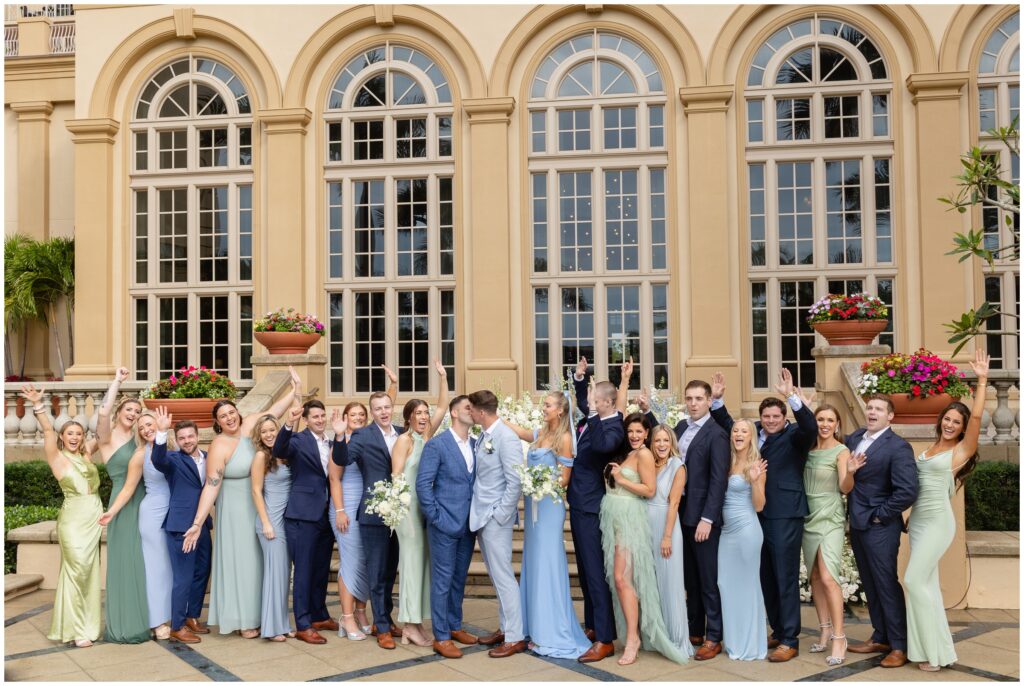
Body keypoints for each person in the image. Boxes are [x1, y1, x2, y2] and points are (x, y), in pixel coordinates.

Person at [182, 368, 301, 637]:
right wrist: (198, 522)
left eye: (231, 413)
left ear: (238, 413)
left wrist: (295, 390)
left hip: (259, 505)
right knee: (241, 563)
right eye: (223, 416)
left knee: (259, 563)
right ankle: (242, 620)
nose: (229, 418)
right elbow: (211, 487)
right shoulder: (219, 446)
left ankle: (262, 616)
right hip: (234, 510)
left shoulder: (250, 426)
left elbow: (276, 411)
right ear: (217, 422)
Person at [709, 368, 817, 662]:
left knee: (784, 576)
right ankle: (778, 629)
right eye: (766, 416)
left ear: (784, 418)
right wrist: (717, 401)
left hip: (784, 514)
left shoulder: (796, 434)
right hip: (753, 516)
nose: (770, 421)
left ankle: (790, 639)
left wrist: (792, 396)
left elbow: (810, 427)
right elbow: (734, 428)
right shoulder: (756, 432)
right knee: (766, 576)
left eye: (776, 416)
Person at [905, 350, 988, 672]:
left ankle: (936, 652)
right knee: (924, 586)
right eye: (948, 419)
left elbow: (978, 419)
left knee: (913, 581)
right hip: (919, 520)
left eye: (958, 422)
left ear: (964, 428)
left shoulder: (961, 451)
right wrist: (910, 514)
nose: (951, 425)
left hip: (939, 522)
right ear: (940, 421)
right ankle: (933, 652)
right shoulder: (928, 449)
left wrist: (982, 380)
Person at [505, 390, 591, 660]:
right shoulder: (540, 433)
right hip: (533, 504)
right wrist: (495, 420)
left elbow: (564, 479)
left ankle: (550, 630)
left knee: (546, 561)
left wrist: (538, 485)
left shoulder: (564, 438)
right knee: (533, 561)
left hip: (549, 506)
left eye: (548, 405)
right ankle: (532, 626)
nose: (544, 408)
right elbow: (518, 431)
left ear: (561, 411)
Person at [646, 379, 729, 661]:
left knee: (708, 579)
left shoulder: (716, 434)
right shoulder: (680, 428)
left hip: (702, 518)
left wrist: (709, 517)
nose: (693, 403)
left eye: (698, 399)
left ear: (708, 401)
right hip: (679, 516)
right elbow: (662, 444)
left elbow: (718, 480)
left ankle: (714, 636)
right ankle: (695, 629)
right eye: (689, 398)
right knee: (689, 579)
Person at [600, 412, 689, 666]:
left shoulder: (644, 455)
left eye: (639, 432)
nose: (634, 436)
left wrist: (619, 479)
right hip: (618, 522)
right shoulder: (629, 454)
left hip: (631, 521)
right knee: (626, 580)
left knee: (621, 578)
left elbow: (650, 491)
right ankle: (636, 633)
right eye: (630, 432)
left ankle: (633, 639)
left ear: (646, 433)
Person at [20, 385, 102, 648]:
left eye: (79, 433)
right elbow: (46, 430)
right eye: (70, 433)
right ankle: (78, 629)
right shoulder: (57, 458)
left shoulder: (87, 453)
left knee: (87, 573)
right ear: (63, 437)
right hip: (73, 521)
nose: (75, 437)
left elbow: (103, 428)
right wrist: (38, 405)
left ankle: (83, 625)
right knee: (77, 570)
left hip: (93, 518)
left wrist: (117, 386)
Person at [844, 393, 918, 668]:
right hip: (858, 525)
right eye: (869, 408)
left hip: (881, 527)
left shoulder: (898, 447)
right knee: (871, 584)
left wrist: (878, 516)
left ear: (890, 416)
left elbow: (907, 491)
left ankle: (899, 645)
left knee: (886, 583)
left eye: (878, 409)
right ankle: (881, 635)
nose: (872, 412)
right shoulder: (854, 439)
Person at [331, 391, 405, 649]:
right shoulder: (363, 435)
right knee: (376, 570)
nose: (383, 412)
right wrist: (340, 436)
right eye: (378, 409)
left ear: (391, 408)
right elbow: (343, 458)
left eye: (387, 407)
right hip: (373, 513)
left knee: (390, 570)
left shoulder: (402, 432)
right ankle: (381, 627)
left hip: (400, 513)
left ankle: (387, 618)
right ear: (372, 412)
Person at [416, 395, 481, 659]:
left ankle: (455, 626)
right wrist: (436, 517)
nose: (472, 411)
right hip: (444, 523)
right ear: (454, 412)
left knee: (458, 578)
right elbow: (423, 484)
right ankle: (441, 636)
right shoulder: (438, 445)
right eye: (467, 407)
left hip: (469, 524)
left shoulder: (478, 444)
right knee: (442, 580)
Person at [390, 361, 450, 647]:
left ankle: (416, 621)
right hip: (408, 511)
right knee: (412, 564)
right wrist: (399, 510)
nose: (425, 416)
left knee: (422, 564)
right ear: (409, 417)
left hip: (427, 508)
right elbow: (396, 476)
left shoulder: (427, 436)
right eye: (418, 413)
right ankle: (410, 625)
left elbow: (443, 406)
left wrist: (443, 377)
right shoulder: (404, 441)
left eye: (425, 412)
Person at [98, 410, 172, 640]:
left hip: (175, 513)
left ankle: (172, 615)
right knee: (157, 568)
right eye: (142, 428)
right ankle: (157, 620)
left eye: (149, 424)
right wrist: (112, 511)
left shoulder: (174, 445)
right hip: (153, 515)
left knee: (170, 567)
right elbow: (128, 488)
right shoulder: (140, 454)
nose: (146, 429)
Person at [271, 399, 339, 645]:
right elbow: (279, 450)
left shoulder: (331, 442)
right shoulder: (298, 440)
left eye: (322, 416)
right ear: (307, 419)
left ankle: (319, 614)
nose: (320, 420)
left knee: (321, 568)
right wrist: (289, 422)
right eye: (315, 417)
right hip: (301, 515)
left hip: (325, 514)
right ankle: (303, 623)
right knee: (303, 571)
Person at [569, 372, 624, 664]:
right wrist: (580, 380)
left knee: (595, 572)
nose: (589, 404)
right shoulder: (596, 416)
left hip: (592, 505)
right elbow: (583, 404)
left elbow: (603, 447)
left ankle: (605, 638)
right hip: (578, 502)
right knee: (584, 570)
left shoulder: (615, 426)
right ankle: (592, 626)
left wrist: (590, 412)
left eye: (594, 401)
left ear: (606, 403)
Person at [467, 389, 526, 658]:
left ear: (480, 412)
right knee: (496, 575)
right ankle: (505, 628)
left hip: (495, 517)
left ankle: (515, 637)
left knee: (503, 577)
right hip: (481, 514)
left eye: (471, 409)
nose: (469, 413)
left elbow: (515, 482)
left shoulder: (507, 438)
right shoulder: (484, 435)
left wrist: (500, 514)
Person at [92, 368, 149, 644]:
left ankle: (146, 618)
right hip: (121, 502)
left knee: (143, 561)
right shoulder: (106, 438)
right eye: (129, 408)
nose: (134, 414)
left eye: (137, 411)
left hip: (145, 501)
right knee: (125, 560)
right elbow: (102, 413)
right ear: (119, 411)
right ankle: (125, 624)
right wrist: (117, 381)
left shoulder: (139, 439)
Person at [150, 418, 213, 644]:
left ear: (197, 436)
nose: (187, 441)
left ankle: (191, 616)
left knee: (202, 572)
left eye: (190, 436)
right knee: (183, 577)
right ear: (176, 441)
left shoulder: (208, 457)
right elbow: (157, 459)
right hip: (181, 527)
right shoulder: (173, 459)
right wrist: (160, 432)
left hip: (203, 524)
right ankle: (177, 625)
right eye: (182, 438)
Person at [803, 404, 855, 666]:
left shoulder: (841, 451)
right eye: (820, 419)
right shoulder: (808, 450)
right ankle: (823, 628)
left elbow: (845, 487)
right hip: (808, 517)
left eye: (829, 420)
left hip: (830, 516)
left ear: (837, 424)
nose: (824, 424)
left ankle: (839, 637)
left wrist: (852, 471)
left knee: (828, 577)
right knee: (814, 575)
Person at [718, 419, 768, 660]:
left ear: (751, 437)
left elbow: (759, 506)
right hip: (726, 533)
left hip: (748, 530)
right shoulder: (726, 460)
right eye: (735, 430)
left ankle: (750, 643)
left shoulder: (755, 464)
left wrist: (756, 480)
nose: (738, 434)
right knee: (725, 583)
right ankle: (733, 639)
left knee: (748, 586)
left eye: (744, 431)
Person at [328, 402, 374, 640]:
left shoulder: (365, 439)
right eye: (352, 414)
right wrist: (340, 510)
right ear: (345, 418)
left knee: (366, 561)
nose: (357, 417)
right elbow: (334, 480)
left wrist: (393, 385)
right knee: (351, 561)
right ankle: (346, 618)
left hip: (366, 507)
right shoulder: (341, 443)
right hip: (345, 506)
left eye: (361, 414)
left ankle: (361, 611)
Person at [646, 425, 693, 655]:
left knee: (670, 583)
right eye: (657, 441)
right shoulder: (648, 464)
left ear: (671, 442)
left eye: (665, 440)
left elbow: (674, 503)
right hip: (646, 527)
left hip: (667, 527)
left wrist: (666, 536)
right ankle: (657, 636)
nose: (662, 445)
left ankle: (676, 639)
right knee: (651, 584)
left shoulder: (678, 466)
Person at [251, 413, 294, 642]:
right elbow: (256, 491)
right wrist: (266, 523)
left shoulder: (284, 456)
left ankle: (282, 624)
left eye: (272, 430)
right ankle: (271, 628)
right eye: (264, 431)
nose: (269, 435)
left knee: (283, 575)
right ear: (259, 436)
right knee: (275, 576)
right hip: (271, 523)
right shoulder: (261, 456)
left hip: (285, 522)